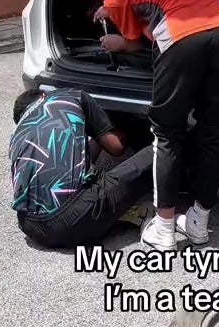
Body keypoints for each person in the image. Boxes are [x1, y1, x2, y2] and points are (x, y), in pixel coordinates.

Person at [53, 0, 219, 252]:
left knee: (167, 135)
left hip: (181, 39)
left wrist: (115, 39)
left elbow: (132, 41)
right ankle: (198, 222)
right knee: (215, 131)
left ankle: (164, 228)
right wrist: (112, 8)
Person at [10, 88, 153, 248]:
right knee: (155, 152)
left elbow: (72, 160)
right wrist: (118, 124)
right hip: (74, 220)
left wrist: (96, 134)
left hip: (31, 227)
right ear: (43, 95)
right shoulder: (70, 96)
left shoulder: (17, 134)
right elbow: (116, 148)